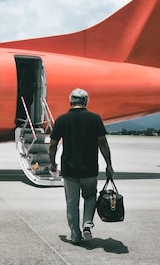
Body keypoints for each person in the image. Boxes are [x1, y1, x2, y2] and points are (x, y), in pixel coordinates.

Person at [49, 88, 114, 243]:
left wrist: (52, 163)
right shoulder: (95, 119)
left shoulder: (62, 119)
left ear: (71, 101)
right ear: (86, 102)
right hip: (89, 169)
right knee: (90, 197)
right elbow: (103, 143)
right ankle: (87, 224)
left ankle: (75, 235)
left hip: (69, 170)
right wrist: (109, 165)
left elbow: (52, 145)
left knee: (72, 202)